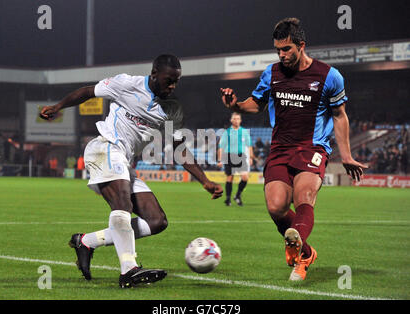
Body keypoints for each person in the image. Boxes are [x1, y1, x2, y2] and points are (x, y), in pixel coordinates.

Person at [40, 54, 223, 288]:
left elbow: (179, 149)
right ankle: (129, 270)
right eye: (168, 80)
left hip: (124, 161)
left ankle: (86, 242)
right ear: (154, 74)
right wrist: (58, 107)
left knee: (157, 221)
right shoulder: (127, 84)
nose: (172, 86)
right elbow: (88, 91)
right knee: (123, 205)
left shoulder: (172, 109)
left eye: (176, 81)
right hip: (105, 147)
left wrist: (204, 181)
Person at [220, 18, 367, 281]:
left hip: (312, 148)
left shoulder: (329, 76)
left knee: (304, 197)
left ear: (301, 45)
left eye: (286, 49)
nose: (281, 55)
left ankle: (298, 249)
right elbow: (256, 103)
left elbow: (340, 115)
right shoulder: (272, 73)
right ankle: (306, 251)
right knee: (276, 207)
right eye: (277, 50)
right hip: (280, 148)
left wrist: (346, 155)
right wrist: (235, 106)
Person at [217, 112, 253, 206]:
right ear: (231, 120)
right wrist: (220, 159)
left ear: (240, 120)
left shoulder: (244, 132)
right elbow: (221, 146)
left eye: (238, 118)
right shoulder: (227, 132)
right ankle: (228, 199)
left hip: (241, 156)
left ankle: (237, 195)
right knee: (230, 177)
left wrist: (251, 157)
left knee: (245, 178)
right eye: (234, 118)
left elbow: (249, 146)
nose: (236, 120)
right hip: (229, 156)